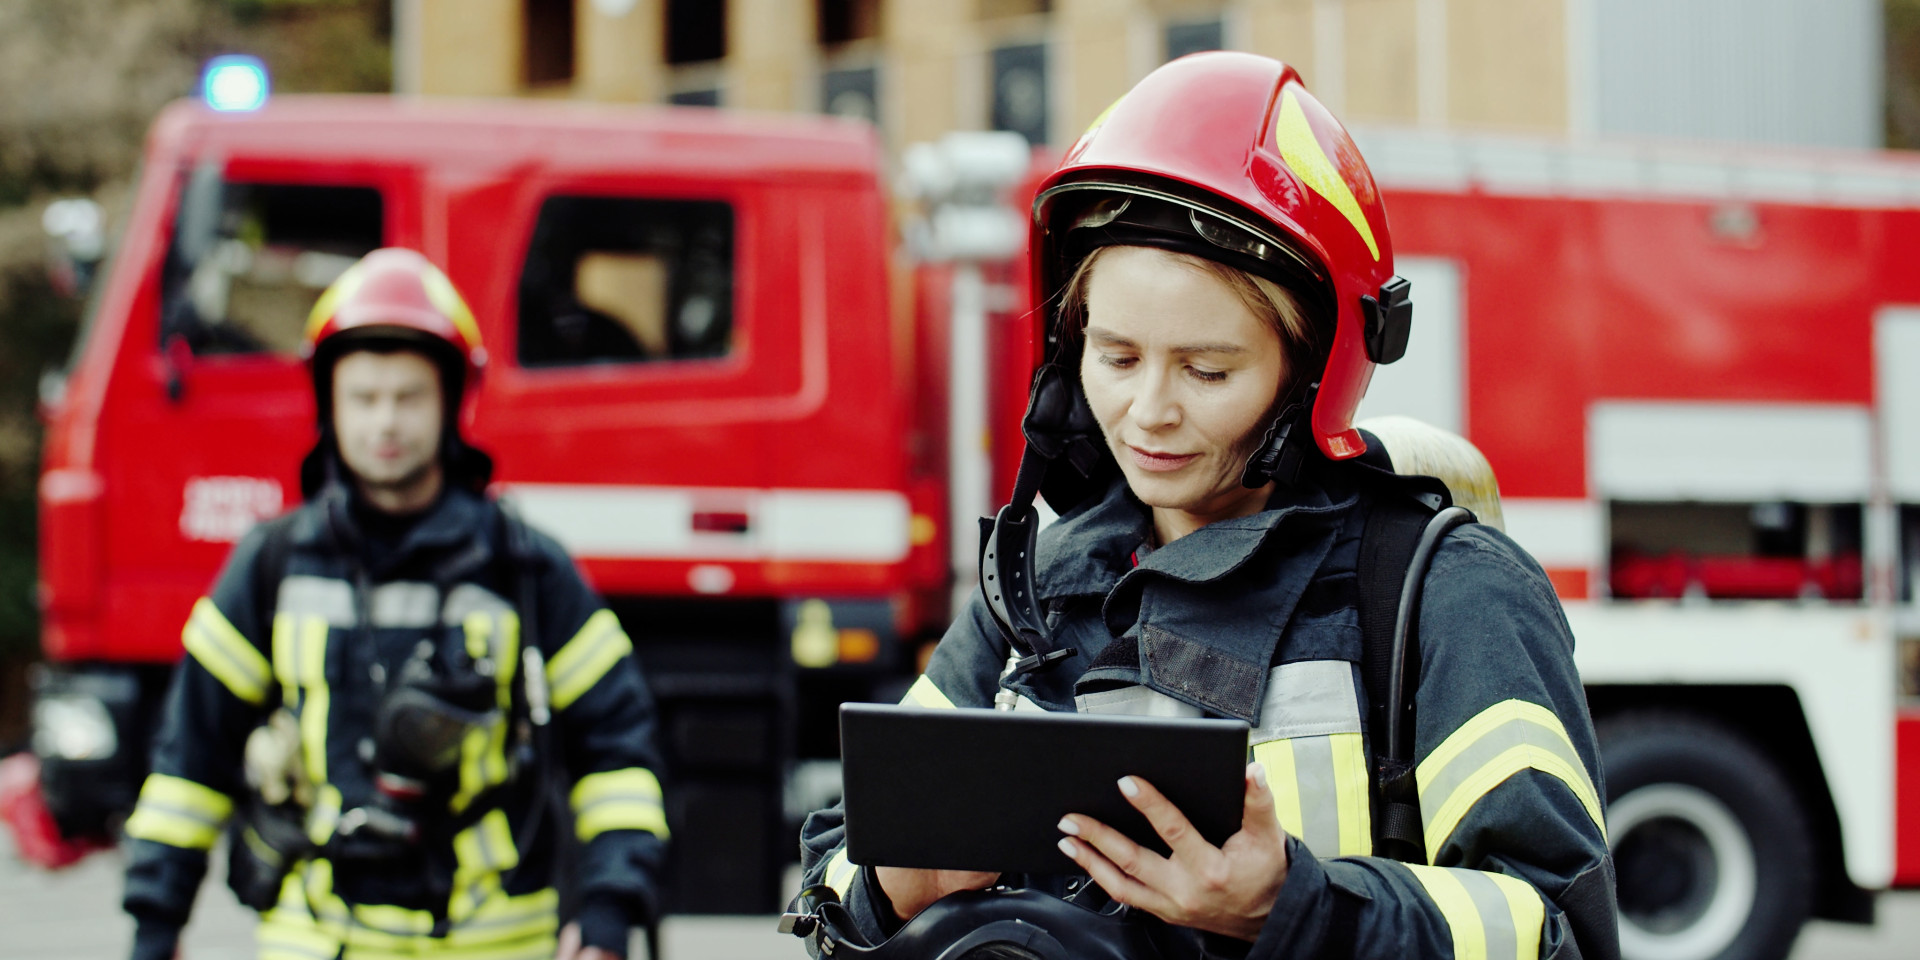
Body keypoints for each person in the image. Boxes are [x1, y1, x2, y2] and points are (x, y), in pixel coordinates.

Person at [799, 52, 1616, 960]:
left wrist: (1296, 909)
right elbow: (831, 881)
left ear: (1311, 370)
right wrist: (887, 888)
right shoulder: (1032, 590)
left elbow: (1558, 930)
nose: (1148, 412)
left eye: (1207, 369)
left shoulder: (1445, 594)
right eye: (1114, 357)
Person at [122, 249, 668, 960]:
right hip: (318, 939)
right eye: (364, 397)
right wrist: (154, 929)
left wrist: (607, 916)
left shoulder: (527, 568)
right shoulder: (272, 565)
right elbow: (189, 764)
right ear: (329, 403)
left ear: (450, 402)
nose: (385, 422)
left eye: (408, 397)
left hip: (495, 942)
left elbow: (618, 754)